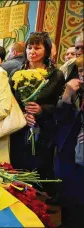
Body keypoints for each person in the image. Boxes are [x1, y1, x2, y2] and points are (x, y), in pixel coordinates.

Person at [9, 32, 65, 193]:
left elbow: (59, 105)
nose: (32, 51)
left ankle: (39, 203)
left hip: (44, 129)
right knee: (18, 166)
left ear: (46, 50)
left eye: (37, 48)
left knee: (40, 166)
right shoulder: (16, 73)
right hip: (20, 127)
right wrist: (23, 115)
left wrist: (41, 110)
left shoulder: (55, 75)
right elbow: (10, 102)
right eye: (29, 47)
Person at [54, 55, 84, 228]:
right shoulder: (76, 90)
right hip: (69, 146)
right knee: (68, 189)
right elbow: (60, 116)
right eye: (81, 71)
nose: (83, 75)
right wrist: (67, 94)